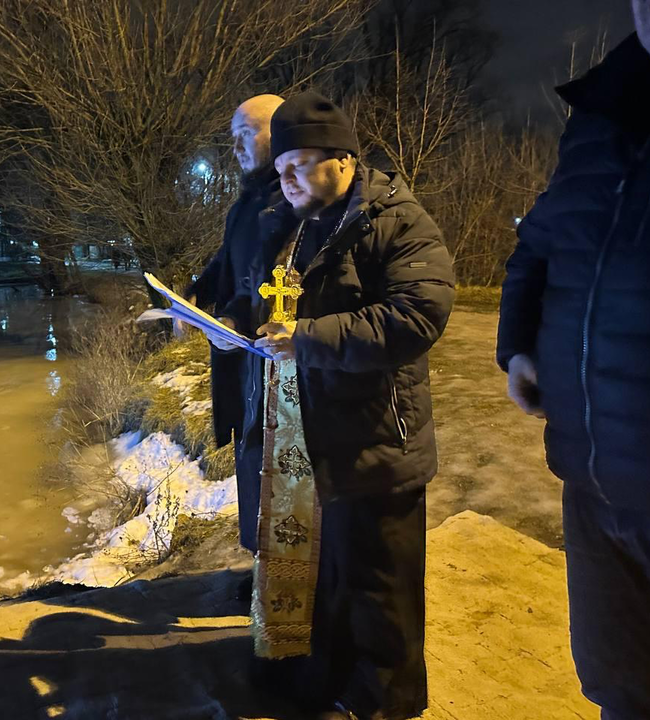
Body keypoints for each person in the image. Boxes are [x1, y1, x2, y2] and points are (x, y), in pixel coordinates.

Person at [208, 91, 454, 720]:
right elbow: (264, 300)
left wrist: (310, 339)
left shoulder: (394, 219)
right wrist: (229, 321)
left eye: (297, 168)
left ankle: (387, 703)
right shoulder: (297, 220)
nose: (284, 182)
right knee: (330, 578)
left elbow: (417, 315)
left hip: (379, 438)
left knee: (381, 587)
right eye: (280, 169)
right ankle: (329, 684)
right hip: (312, 435)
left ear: (342, 160)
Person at [497, 2, 650, 716]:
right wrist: (519, 346)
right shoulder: (600, 113)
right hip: (589, 476)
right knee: (616, 687)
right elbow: (540, 240)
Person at [184, 94, 284, 563]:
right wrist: (196, 294)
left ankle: (283, 577)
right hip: (244, 358)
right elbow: (230, 258)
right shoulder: (248, 201)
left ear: (280, 131)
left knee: (274, 462)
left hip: (277, 360)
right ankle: (258, 566)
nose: (237, 146)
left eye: (247, 132)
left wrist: (233, 319)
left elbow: (272, 281)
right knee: (250, 454)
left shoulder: (293, 201)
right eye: (234, 136)